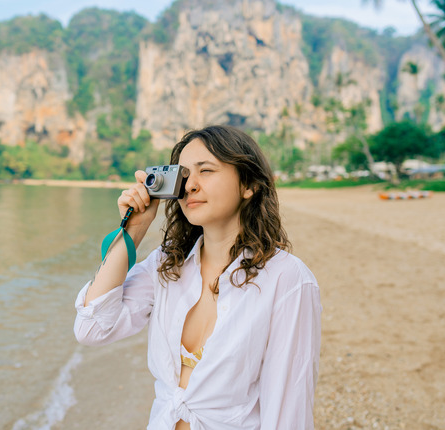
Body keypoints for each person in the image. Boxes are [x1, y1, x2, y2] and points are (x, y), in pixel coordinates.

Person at [74, 125, 322, 429]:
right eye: (184, 175)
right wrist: (135, 228)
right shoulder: (167, 265)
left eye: (206, 171)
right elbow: (93, 327)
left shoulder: (287, 279)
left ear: (249, 185)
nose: (190, 185)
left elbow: (288, 410)